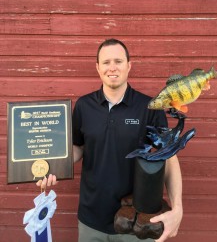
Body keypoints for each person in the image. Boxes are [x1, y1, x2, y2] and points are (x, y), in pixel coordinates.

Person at [37, 38, 183, 242]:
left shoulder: (149, 107)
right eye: (106, 62)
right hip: (91, 221)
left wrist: (178, 209)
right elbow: (77, 148)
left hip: (137, 222)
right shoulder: (84, 106)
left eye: (118, 61)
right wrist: (51, 164)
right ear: (97, 67)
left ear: (129, 65)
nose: (112, 68)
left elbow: (169, 158)